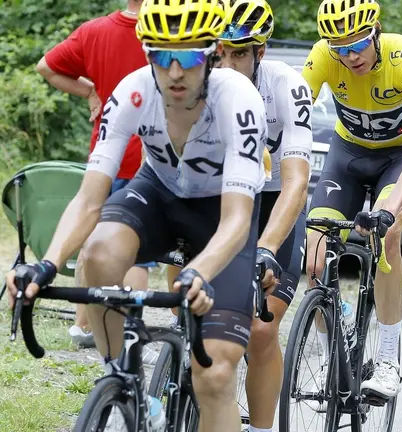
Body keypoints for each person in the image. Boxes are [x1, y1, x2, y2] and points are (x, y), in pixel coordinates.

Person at [6, 1, 272, 431]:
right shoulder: (132, 92)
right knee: (97, 254)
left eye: (186, 56)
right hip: (159, 194)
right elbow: (89, 200)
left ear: (213, 53)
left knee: (217, 376)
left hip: (220, 214)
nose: (174, 72)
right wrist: (46, 264)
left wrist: (199, 271)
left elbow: (237, 220)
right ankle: (123, 381)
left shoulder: (238, 99)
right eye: (160, 56)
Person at [301, 0, 402, 401]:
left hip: (397, 158)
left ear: (375, 30)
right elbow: (293, 110)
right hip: (348, 154)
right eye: (339, 49)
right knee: (314, 255)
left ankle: (390, 360)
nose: (349, 56)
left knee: (388, 234)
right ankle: (331, 357)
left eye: (357, 44)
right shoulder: (325, 54)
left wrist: (388, 211)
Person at [216, 1, 311, 431]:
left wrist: (268, 247)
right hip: (224, 198)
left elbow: (295, 182)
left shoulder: (287, 86)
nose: (230, 63)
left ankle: (259, 426)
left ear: (261, 52)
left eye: (241, 53)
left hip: (275, 204)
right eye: (223, 52)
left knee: (259, 330)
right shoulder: (201, 83)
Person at [35, 0, 150, 349]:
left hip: (105, 155)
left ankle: (83, 326)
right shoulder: (169, 34)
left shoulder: (94, 31)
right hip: (148, 157)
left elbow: (46, 67)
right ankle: (129, 329)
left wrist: (90, 90)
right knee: (138, 250)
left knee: (93, 237)